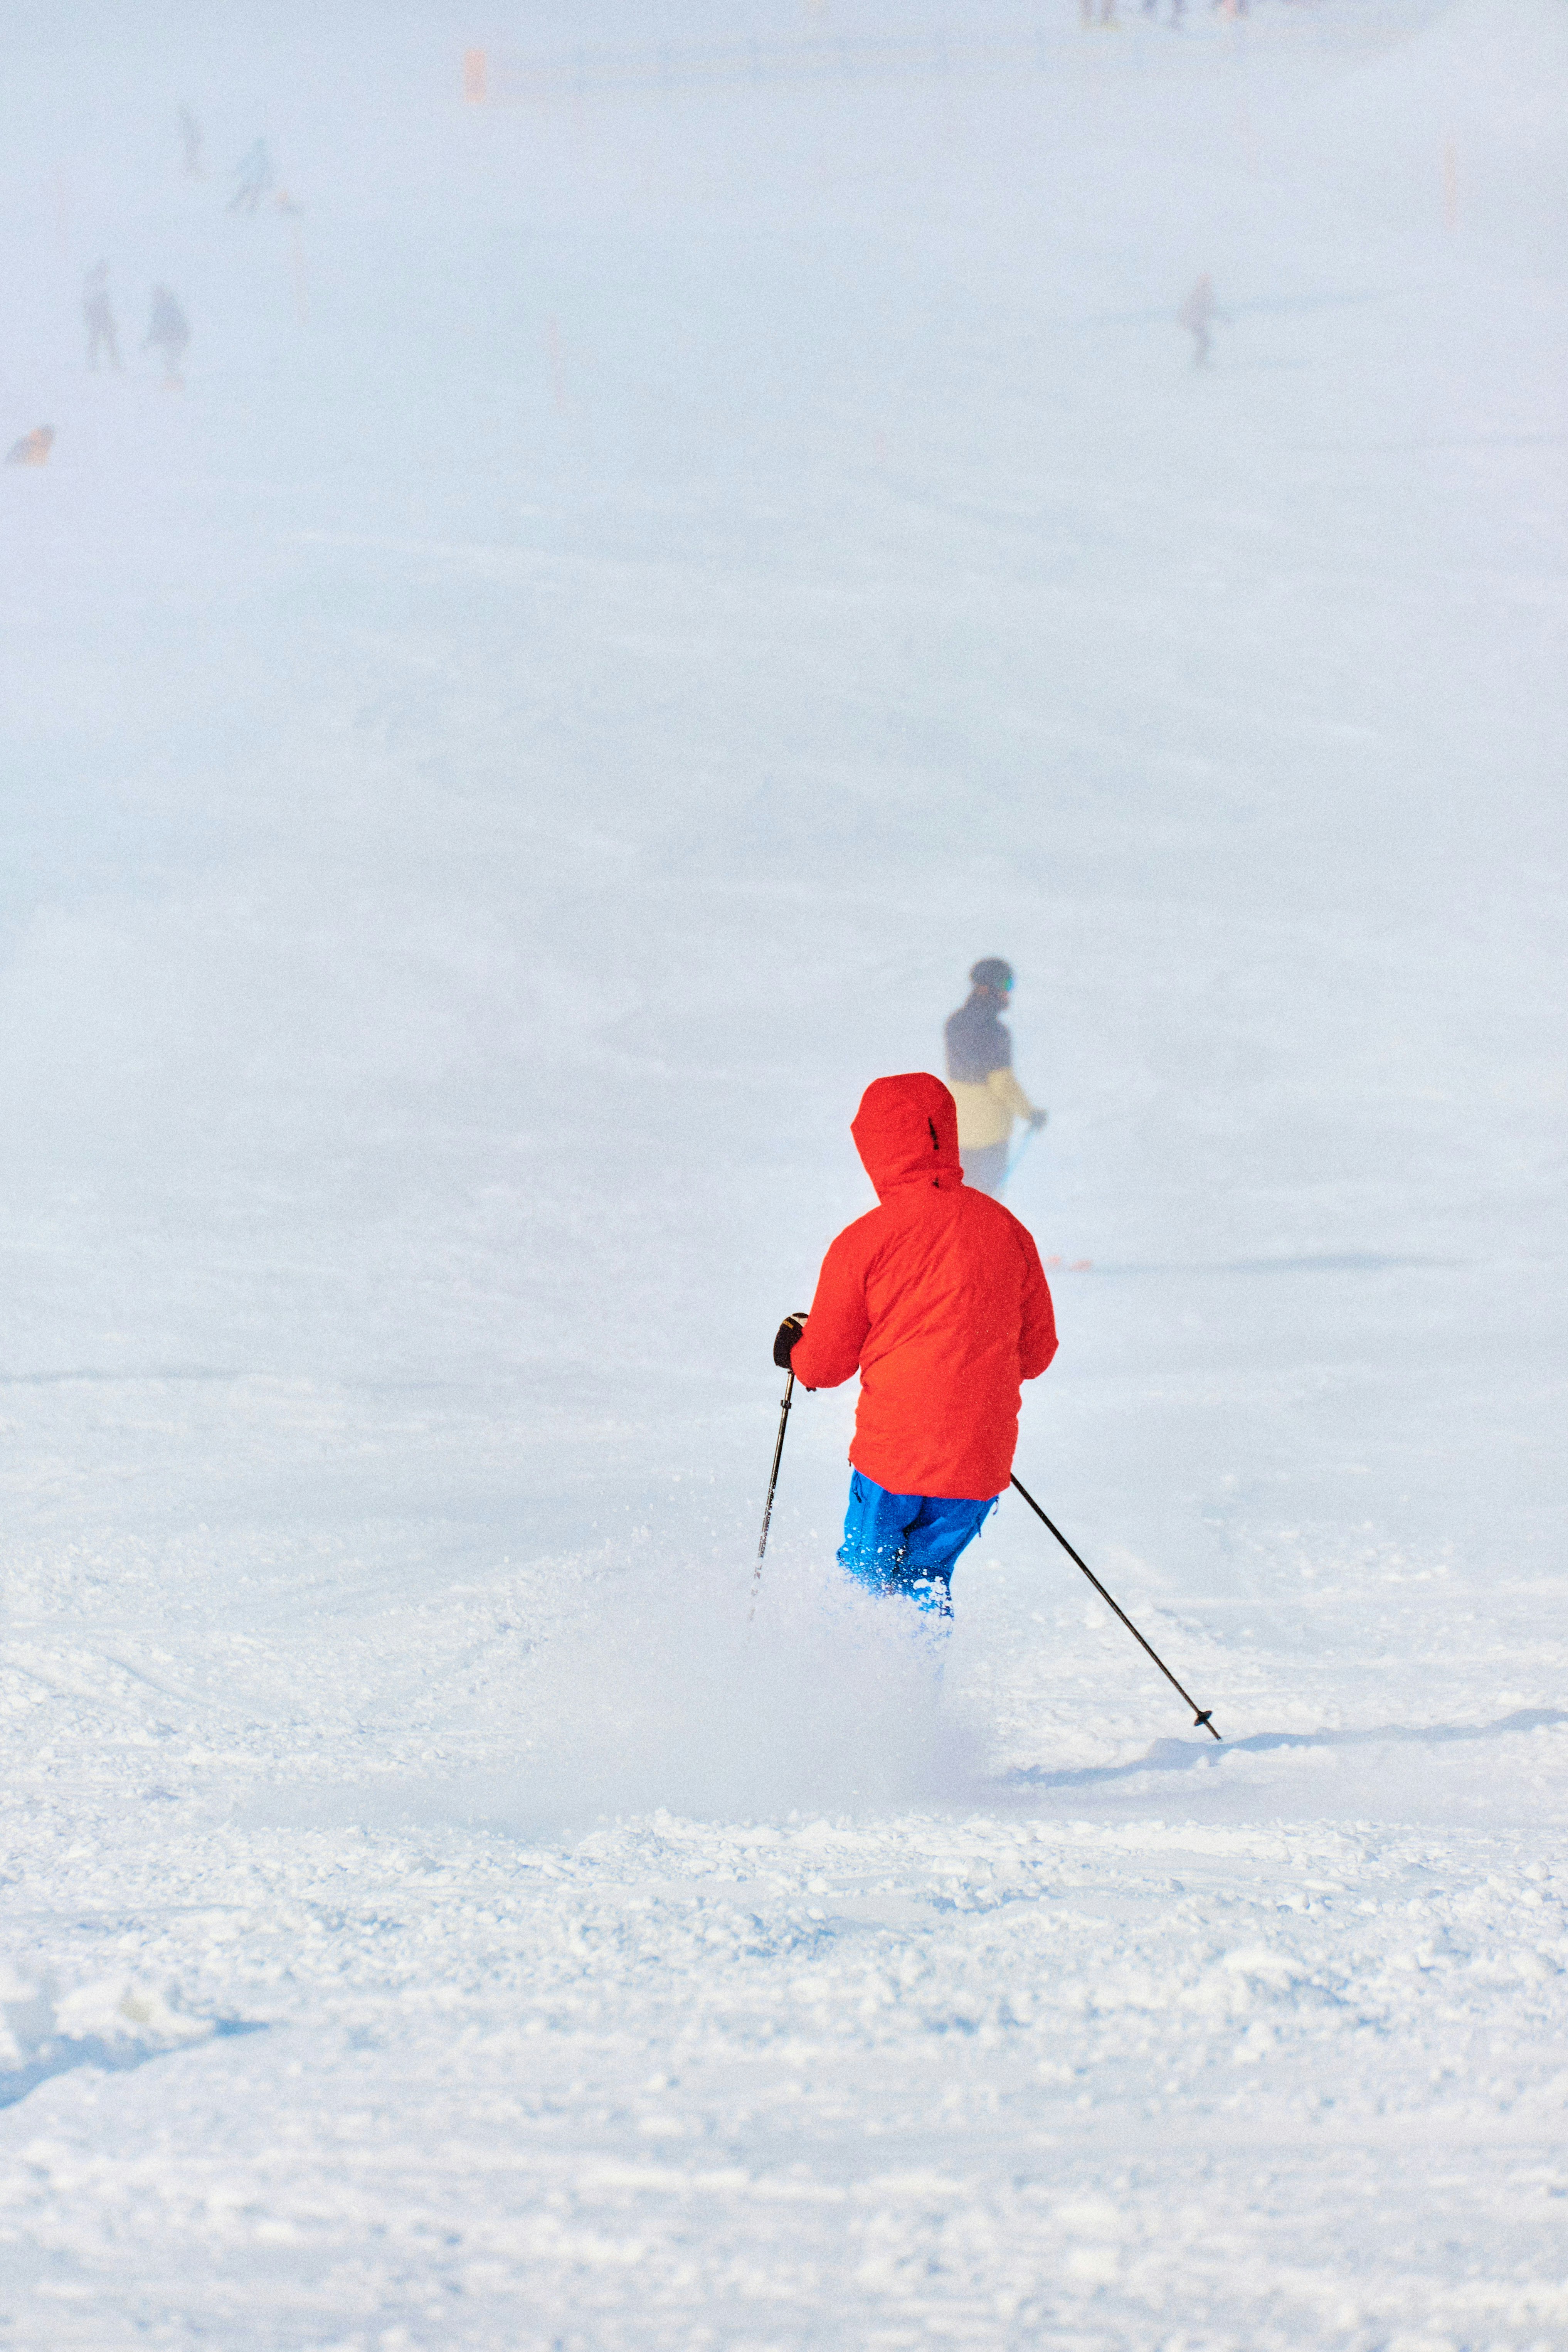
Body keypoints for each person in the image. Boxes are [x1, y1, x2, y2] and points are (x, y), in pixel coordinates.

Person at [774, 1072, 1057, 1622]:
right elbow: (1037, 1353)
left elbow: (826, 1366)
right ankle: (914, 1701)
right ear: (946, 1133)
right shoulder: (1007, 1229)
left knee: (865, 1581)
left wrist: (795, 1350)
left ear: (874, 1145)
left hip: (894, 1455)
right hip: (976, 1462)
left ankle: (846, 1696)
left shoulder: (865, 1240)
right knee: (925, 1584)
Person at [943, 958, 1045, 1196]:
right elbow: (1002, 1085)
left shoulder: (954, 1023)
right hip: (990, 1136)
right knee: (987, 1204)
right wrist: (1030, 1114)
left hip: (959, 1130)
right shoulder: (995, 1033)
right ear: (986, 988)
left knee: (962, 1201)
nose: (1008, 994)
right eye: (1005, 985)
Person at [145, 287, 190, 388]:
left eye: (158, 295)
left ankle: (174, 384)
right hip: (170, 340)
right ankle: (173, 383)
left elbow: (173, 326)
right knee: (168, 362)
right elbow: (155, 327)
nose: (155, 299)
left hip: (176, 340)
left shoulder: (170, 308)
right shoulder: (160, 309)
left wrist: (156, 338)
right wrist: (149, 341)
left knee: (170, 362)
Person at [83, 262, 119, 372]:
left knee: (101, 341)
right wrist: (108, 318)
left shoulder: (94, 282)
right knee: (105, 341)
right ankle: (112, 366)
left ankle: (97, 365)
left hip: (98, 317)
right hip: (99, 316)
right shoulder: (96, 282)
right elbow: (100, 304)